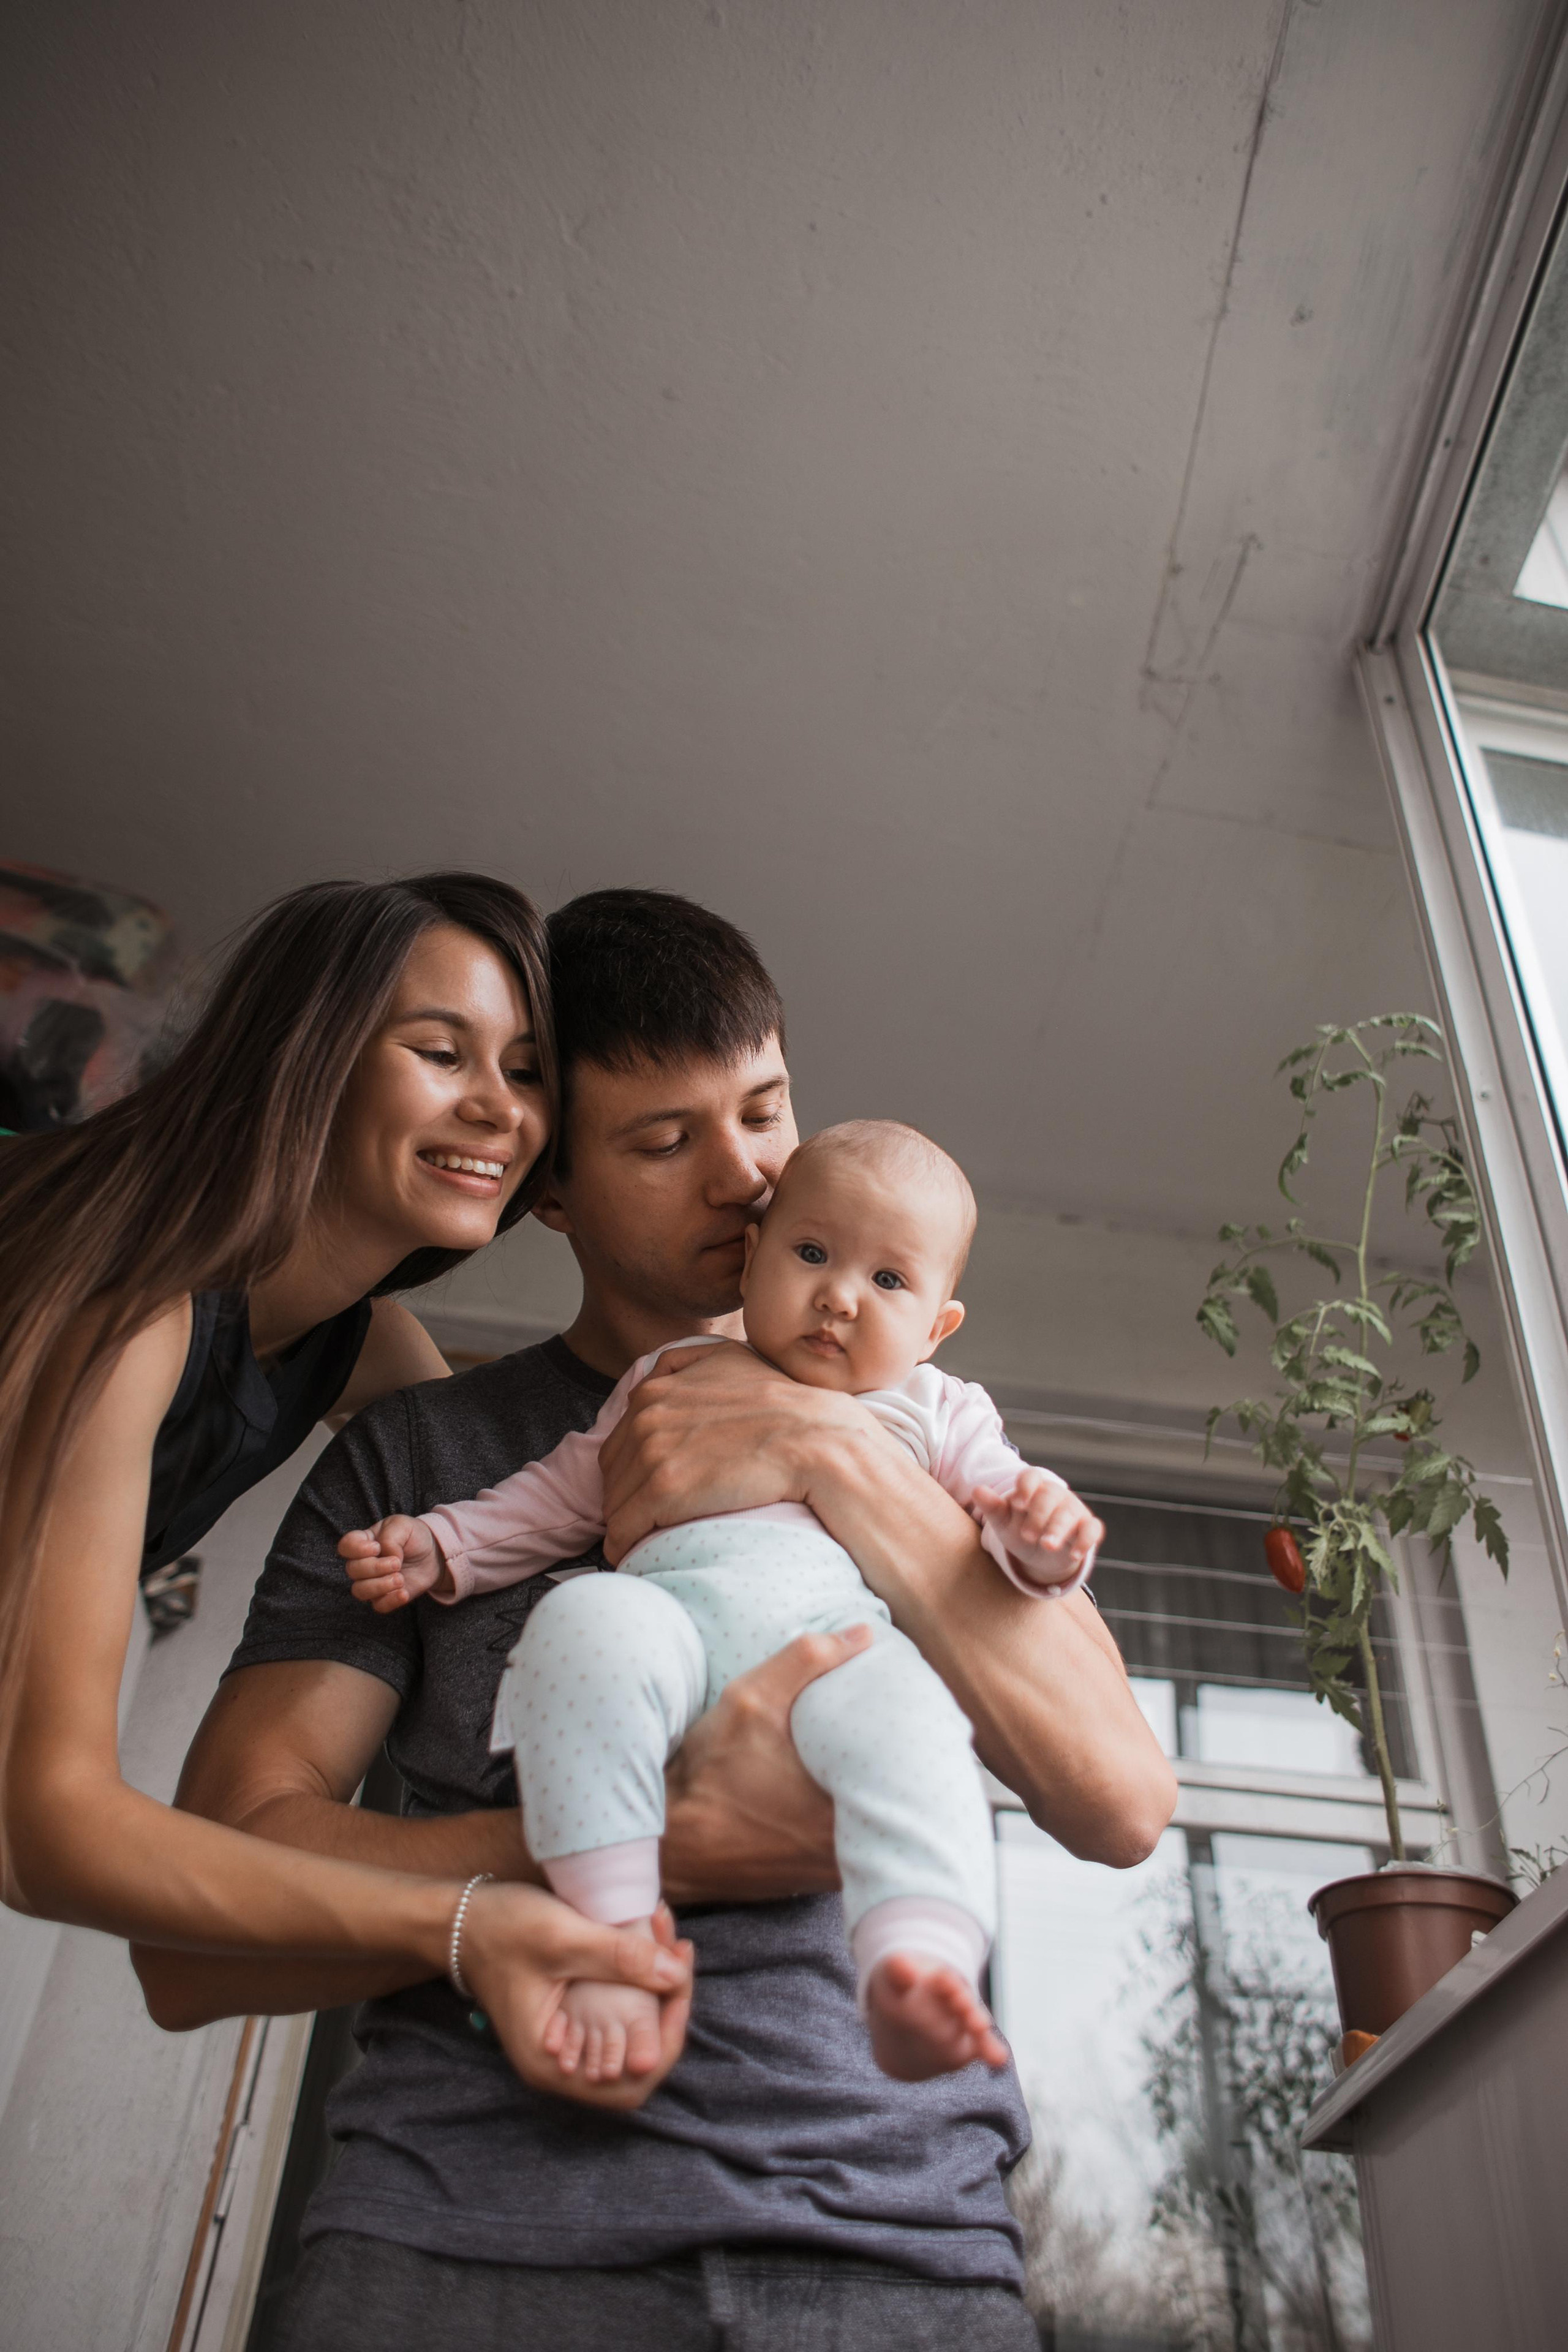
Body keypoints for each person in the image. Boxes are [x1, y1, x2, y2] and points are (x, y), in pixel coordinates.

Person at [140, 889, 1177, 2352]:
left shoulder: (925, 1425)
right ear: (547, 1190)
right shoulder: (420, 1459)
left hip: (890, 2247)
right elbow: (199, 1932)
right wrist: (639, 1837)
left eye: (763, 1108)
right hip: (459, 2240)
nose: (751, 1178)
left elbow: (1123, 1801)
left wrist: (817, 1452)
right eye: (662, 1141)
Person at [0, 873, 693, 2101]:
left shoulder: (362, 1350)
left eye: (527, 1073)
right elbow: (37, 1827)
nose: (497, 1107)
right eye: (442, 1052)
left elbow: (515, 1490)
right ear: (310, 1057)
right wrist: (472, 1918)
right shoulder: (133, 1319)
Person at [340, 1118, 1101, 2090]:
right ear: (755, 1257)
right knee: (578, 1628)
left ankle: (919, 1957)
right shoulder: (669, 1377)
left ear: (938, 1327)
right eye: (813, 1254)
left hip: (840, 1654)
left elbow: (1000, 1521)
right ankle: (609, 1936)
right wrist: (442, 1545)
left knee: (915, 1722)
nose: (838, 1296)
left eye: (889, 1281)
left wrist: (1041, 1541)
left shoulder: (937, 1410)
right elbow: (560, 1494)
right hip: (669, 1626)